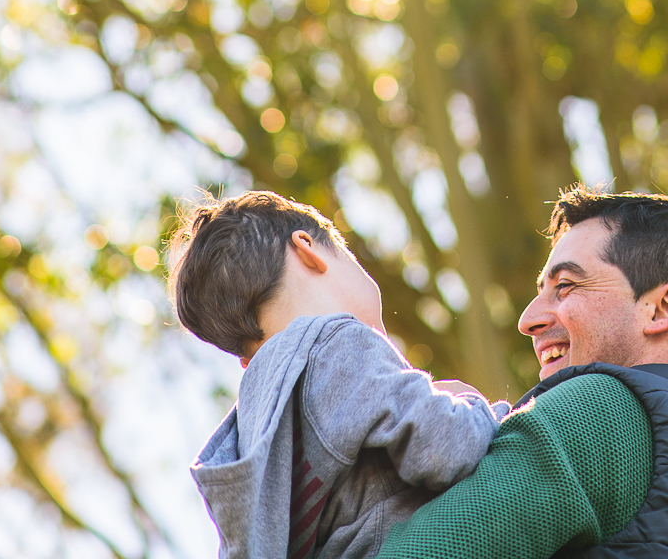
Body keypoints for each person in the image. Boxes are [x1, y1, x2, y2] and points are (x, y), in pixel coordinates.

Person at [376, 185, 668, 558]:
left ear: (660, 308)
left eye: (565, 286)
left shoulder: (600, 409)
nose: (528, 320)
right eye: (539, 292)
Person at [169, 191, 509, 559]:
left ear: (248, 362)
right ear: (307, 249)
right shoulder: (337, 344)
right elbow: (448, 449)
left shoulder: (255, 435)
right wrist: (471, 405)